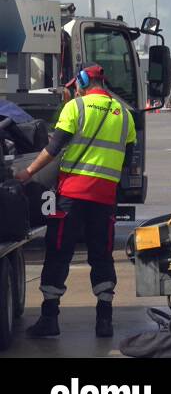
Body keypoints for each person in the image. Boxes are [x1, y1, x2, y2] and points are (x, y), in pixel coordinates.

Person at [15, 63, 136, 338]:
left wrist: (28, 172)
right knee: (102, 255)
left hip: (72, 195)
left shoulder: (76, 108)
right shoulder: (124, 115)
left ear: (81, 81)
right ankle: (104, 320)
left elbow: (53, 148)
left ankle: (50, 318)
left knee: (59, 252)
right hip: (105, 197)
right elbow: (127, 161)